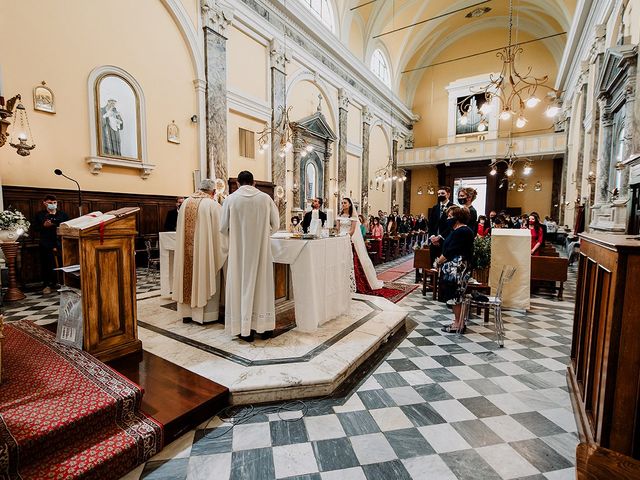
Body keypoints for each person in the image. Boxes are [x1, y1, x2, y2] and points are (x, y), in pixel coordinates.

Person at [221, 170, 279, 342]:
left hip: (239, 251)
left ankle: (244, 330)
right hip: (261, 250)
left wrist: (237, 234)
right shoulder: (265, 198)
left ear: (238, 183)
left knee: (240, 285)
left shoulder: (230, 199)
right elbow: (275, 225)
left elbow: (223, 227)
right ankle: (265, 327)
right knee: (263, 285)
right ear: (254, 183)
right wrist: (262, 232)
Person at [172, 180, 227, 324]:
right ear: (213, 192)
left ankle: (186, 314)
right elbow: (222, 232)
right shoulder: (213, 205)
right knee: (203, 273)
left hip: (187, 254)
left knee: (187, 273)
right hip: (203, 254)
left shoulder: (185, 203)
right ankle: (207, 316)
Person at [434, 206, 474, 333]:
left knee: (456, 296)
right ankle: (458, 321)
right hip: (455, 268)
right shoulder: (457, 230)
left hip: (458, 268)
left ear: (458, 217)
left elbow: (451, 251)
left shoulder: (463, 231)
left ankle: (459, 324)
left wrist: (438, 262)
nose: (448, 218)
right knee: (455, 296)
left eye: (451, 216)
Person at [338, 198, 384, 293]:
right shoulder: (339, 215)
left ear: (350, 204)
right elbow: (337, 228)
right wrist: (337, 236)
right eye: (342, 203)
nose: (343, 204)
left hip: (347, 239)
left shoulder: (353, 216)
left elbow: (352, 230)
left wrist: (345, 237)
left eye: (345, 203)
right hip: (339, 239)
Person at [34, 194, 69, 294]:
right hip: (46, 242)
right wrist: (44, 225)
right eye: (50, 203)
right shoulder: (40, 215)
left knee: (63, 263)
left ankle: (63, 283)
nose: (52, 204)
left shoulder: (62, 214)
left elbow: (68, 225)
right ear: (44, 203)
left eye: (54, 203)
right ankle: (47, 284)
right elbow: (35, 228)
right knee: (46, 264)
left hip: (60, 241)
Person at [428, 186, 455, 260]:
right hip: (434, 241)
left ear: (448, 194)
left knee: (444, 264)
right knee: (433, 264)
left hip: (446, 240)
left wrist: (440, 237)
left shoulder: (453, 207)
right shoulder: (435, 208)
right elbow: (431, 224)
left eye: (442, 193)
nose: (440, 195)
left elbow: (452, 225)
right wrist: (433, 236)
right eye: (438, 194)